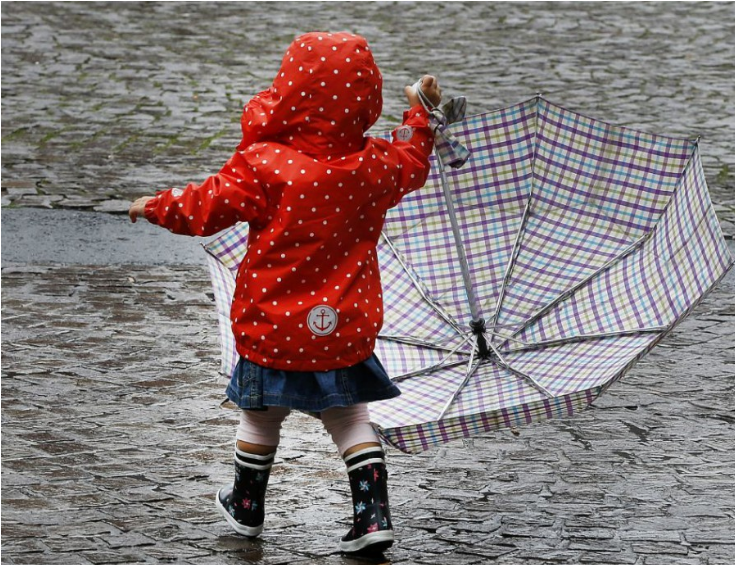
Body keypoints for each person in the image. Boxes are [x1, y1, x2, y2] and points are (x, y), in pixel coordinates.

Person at [129, 31, 441, 555]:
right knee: (349, 419)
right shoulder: (374, 166)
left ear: (288, 92)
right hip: (343, 325)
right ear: (367, 98)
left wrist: (154, 206)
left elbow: (205, 206)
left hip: (270, 325)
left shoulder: (266, 165)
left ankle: (247, 506)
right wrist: (420, 114)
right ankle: (372, 517)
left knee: (259, 416)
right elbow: (414, 161)